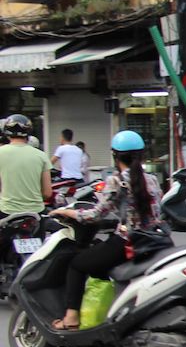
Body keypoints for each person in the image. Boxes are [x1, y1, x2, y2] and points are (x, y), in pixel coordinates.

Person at [48, 131, 160, 331]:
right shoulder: (152, 180)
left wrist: (66, 211)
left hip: (128, 243)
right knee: (98, 256)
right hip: (154, 241)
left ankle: (71, 318)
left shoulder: (117, 181)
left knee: (77, 264)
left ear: (116, 157)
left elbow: (95, 215)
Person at [0, 114, 53, 215]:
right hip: (35, 212)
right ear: (28, 132)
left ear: (6, 132)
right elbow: (47, 193)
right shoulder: (41, 156)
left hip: (6, 211)